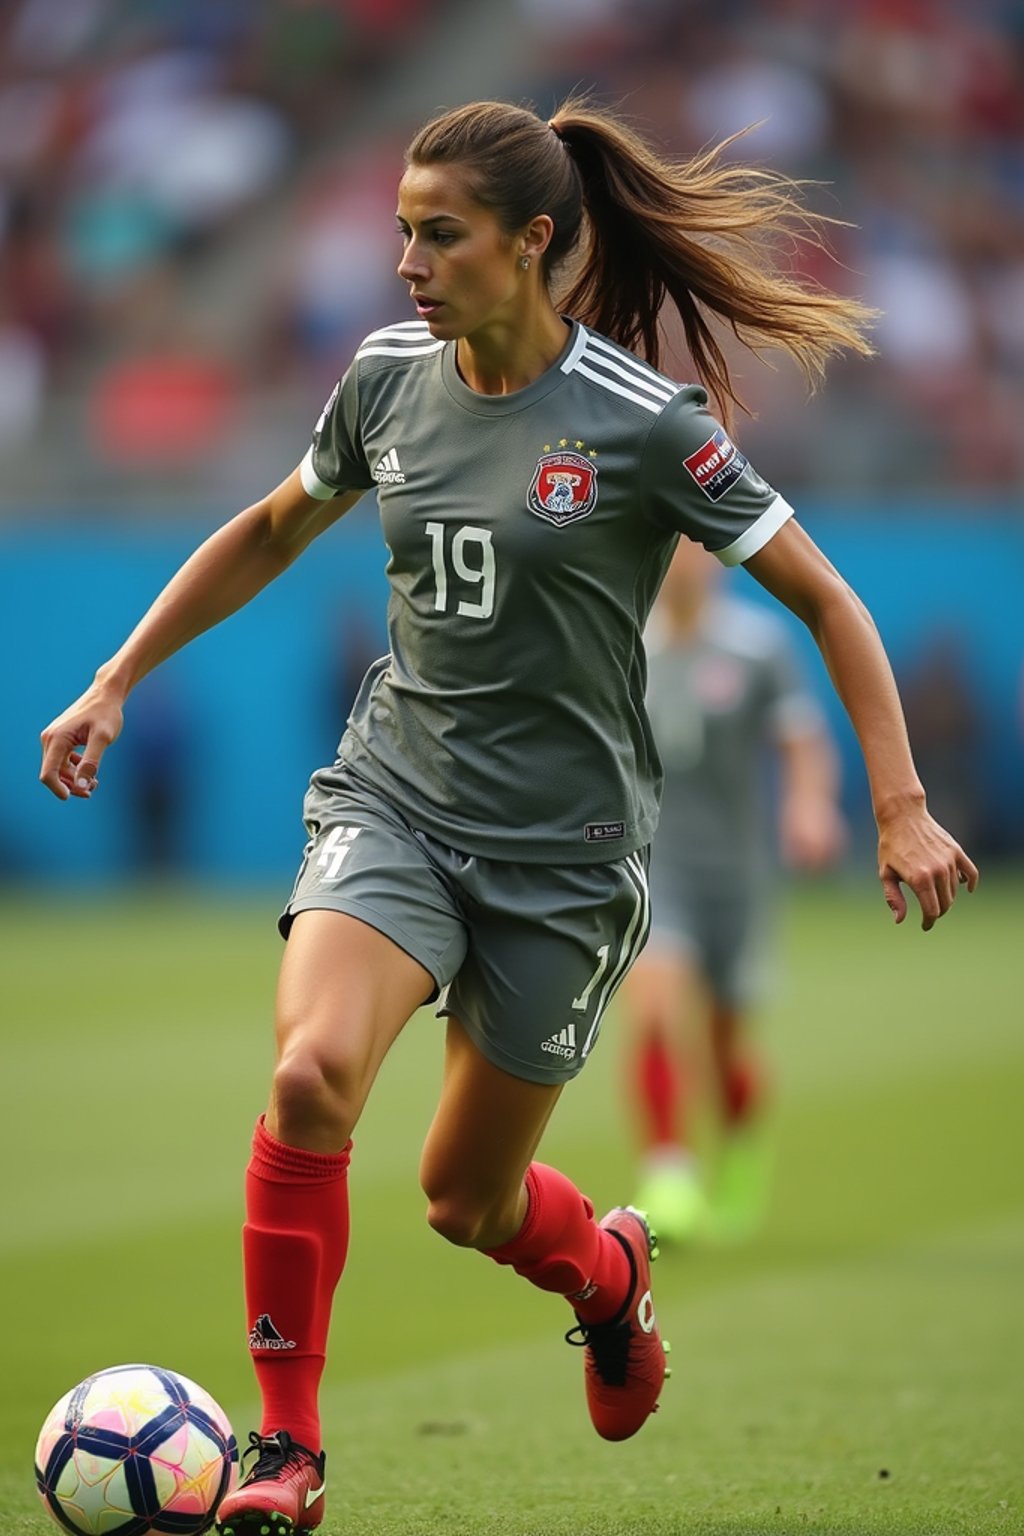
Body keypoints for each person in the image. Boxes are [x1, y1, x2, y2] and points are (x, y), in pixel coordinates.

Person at [38, 96, 978, 1536]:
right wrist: (114, 677)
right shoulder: (384, 379)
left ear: (533, 242)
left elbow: (831, 600)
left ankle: (605, 1275)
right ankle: (290, 1455)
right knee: (307, 1082)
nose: (406, 261)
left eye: (441, 234)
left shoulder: (643, 423)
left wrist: (900, 804)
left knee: (464, 1203)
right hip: (398, 798)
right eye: (403, 229)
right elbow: (270, 529)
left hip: (565, 865)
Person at [621, 537, 847, 1246]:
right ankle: (669, 1175)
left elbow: (803, 740)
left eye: (692, 544)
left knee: (723, 1043)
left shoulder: (757, 646)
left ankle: (741, 1162)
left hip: (737, 873)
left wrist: (808, 806)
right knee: (655, 1010)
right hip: (655, 864)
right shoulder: (623, 642)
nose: (681, 559)